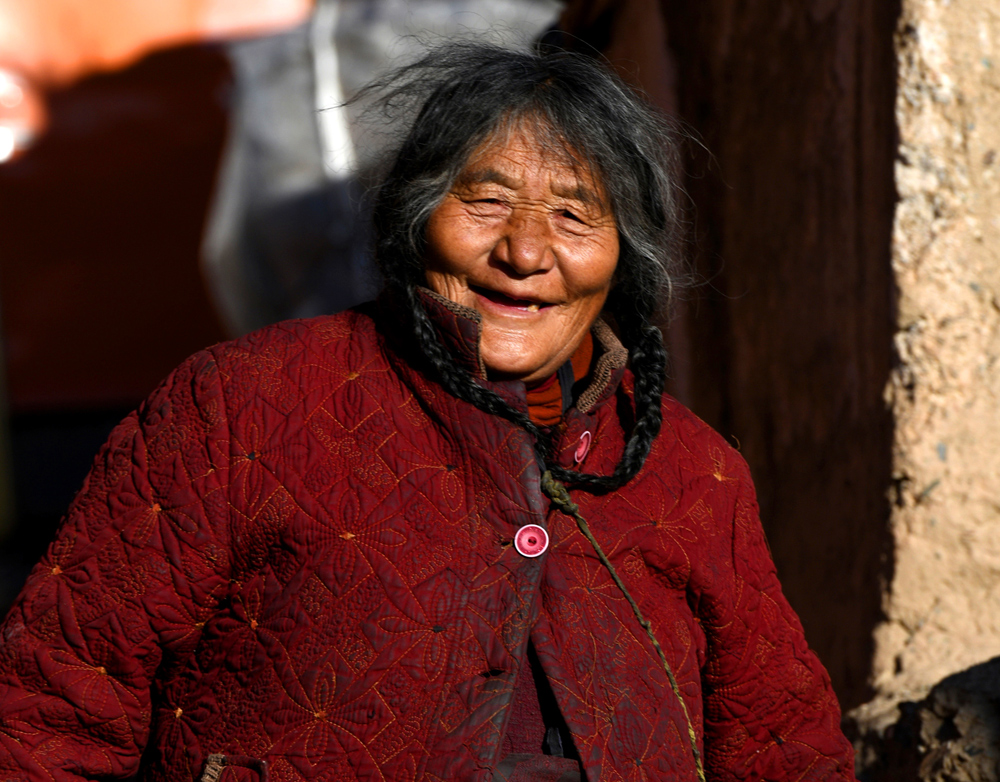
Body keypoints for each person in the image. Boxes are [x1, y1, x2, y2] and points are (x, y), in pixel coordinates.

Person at [0, 43, 855, 782]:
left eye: (572, 214)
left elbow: (784, 742)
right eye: (485, 203)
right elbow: (56, 695)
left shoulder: (690, 469)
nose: (525, 252)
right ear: (418, 219)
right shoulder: (244, 405)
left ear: (620, 258)